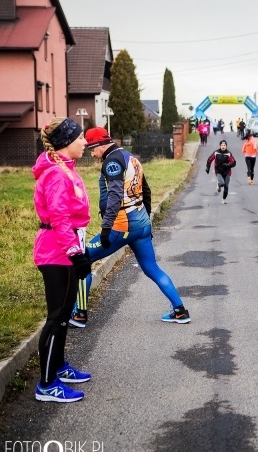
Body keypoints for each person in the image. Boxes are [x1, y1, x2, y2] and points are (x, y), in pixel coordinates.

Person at [70, 127, 191, 327]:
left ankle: (79, 314)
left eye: (92, 148)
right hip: (141, 224)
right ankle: (180, 310)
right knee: (152, 268)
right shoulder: (130, 157)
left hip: (122, 225)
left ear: (101, 145)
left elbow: (115, 196)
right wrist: (147, 221)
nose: (91, 153)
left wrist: (107, 229)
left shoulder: (112, 162)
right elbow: (147, 190)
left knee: (83, 259)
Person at [32, 117, 92, 402]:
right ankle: (46, 385)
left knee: (64, 316)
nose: (84, 142)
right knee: (56, 319)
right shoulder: (56, 174)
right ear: (66, 143)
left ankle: (58, 367)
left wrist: (80, 249)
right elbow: (59, 217)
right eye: (80, 137)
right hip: (56, 253)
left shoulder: (65, 169)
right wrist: (74, 253)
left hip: (65, 249)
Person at [206, 139, 236, 203]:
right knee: (222, 183)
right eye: (222, 145)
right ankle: (219, 185)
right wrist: (208, 167)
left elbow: (234, 163)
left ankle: (224, 199)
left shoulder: (228, 153)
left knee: (226, 186)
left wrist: (228, 164)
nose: (223, 146)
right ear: (220, 146)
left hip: (227, 171)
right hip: (218, 170)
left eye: (224, 145)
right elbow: (210, 159)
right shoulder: (216, 152)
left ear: (226, 146)